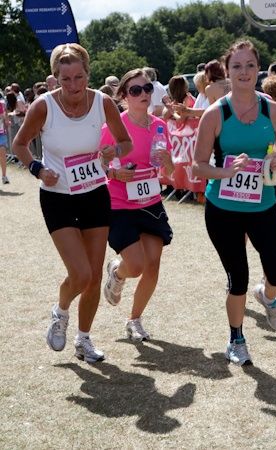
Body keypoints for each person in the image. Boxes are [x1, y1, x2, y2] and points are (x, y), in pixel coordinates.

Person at [12, 43, 132, 363]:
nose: (74, 86)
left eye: (79, 77)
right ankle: (60, 311)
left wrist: (112, 152)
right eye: (66, 79)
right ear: (55, 78)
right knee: (79, 274)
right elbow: (20, 143)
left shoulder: (103, 102)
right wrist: (38, 169)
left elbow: (125, 141)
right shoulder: (43, 106)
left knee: (93, 276)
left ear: (88, 74)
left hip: (94, 193)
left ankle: (84, 340)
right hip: (58, 198)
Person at [192, 40, 276, 366]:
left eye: (250, 65)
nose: (244, 72)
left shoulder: (272, 110)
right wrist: (226, 171)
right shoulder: (214, 114)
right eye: (237, 66)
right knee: (238, 278)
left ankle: (267, 296)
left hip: (262, 205)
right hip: (223, 210)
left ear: (258, 68)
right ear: (227, 71)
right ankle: (236, 338)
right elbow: (197, 166)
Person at [101, 69, 174, 342]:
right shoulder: (112, 128)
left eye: (147, 88)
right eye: (135, 90)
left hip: (151, 201)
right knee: (136, 265)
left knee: (153, 264)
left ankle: (135, 320)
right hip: (119, 203)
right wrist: (114, 173)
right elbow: (98, 165)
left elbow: (170, 170)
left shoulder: (159, 126)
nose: (143, 94)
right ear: (123, 97)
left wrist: (167, 160)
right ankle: (117, 272)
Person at [0, 93, 10, 183]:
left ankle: (4, 176)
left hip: (1, 132)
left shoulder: (2, 103)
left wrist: (6, 121)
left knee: (2, 153)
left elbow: (5, 115)